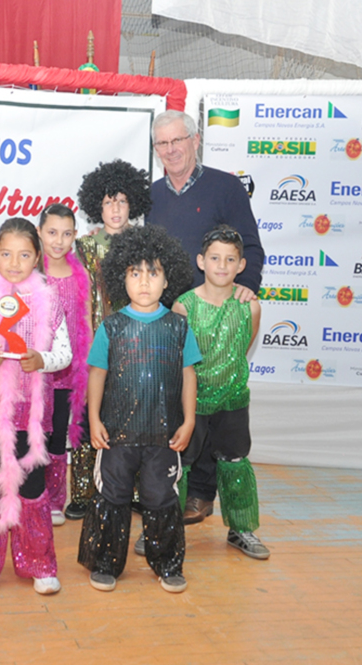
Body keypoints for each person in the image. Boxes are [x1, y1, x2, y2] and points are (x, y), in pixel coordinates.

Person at [147, 110, 264, 525]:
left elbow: (249, 243)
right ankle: (164, 491)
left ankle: (201, 494)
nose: (171, 149)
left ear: (196, 141)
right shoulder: (152, 194)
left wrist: (246, 286)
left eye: (178, 140)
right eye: (163, 143)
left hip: (216, 313)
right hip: (165, 314)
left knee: (214, 409)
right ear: (156, 149)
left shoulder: (226, 187)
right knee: (175, 407)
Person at [78, 224, 199, 595]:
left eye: (153, 272)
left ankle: (168, 564)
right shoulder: (111, 328)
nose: (144, 281)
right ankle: (105, 562)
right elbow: (96, 375)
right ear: (121, 278)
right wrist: (95, 418)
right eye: (135, 273)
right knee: (111, 498)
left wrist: (190, 420)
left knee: (161, 499)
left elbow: (189, 375)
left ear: (168, 280)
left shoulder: (179, 327)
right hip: (116, 436)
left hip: (164, 436)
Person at [0, 218, 71, 600]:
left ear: (37, 258)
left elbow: (65, 354)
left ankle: (38, 562)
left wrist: (42, 359)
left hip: (35, 415)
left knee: (34, 488)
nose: (15, 262)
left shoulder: (51, 302)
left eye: (24, 255)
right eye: (6, 254)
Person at [173, 227, 269, 560]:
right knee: (177, 466)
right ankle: (164, 529)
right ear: (201, 261)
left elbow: (241, 349)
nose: (222, 266)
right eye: (215, 258)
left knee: (235, 463)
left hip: (232, 403)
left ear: (241, 265)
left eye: (230, 260)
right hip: (191, 403)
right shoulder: (183, 307)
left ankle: (242, 529)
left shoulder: (250, 308)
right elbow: (179, 360)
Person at [65, 160, 151, 521]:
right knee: (87, 417)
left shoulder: (146, 243)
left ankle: (131, 489)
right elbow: (82, 299)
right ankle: (83, 493)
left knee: (132, 417)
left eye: (122, 201)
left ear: (133, 205)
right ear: (95, 208)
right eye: (107, 202)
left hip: (138, 344)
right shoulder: (84, 247)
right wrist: (87, 346)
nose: (115, 209)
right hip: (97, 343)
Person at [37, 203, 92, 526]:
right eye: (52, 232)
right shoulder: (31, 269)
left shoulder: (79, 273)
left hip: (67, 369)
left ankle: (55, 499)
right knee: (34, 434)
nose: (59, 241)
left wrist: (86, 366)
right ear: (40, 232)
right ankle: (33, 496)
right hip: (35, 368)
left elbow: (84, 320)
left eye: (67, 234)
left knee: (58, 435)